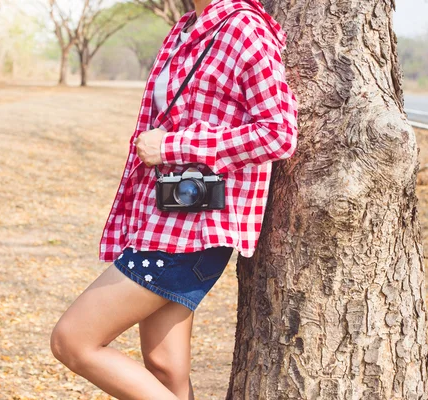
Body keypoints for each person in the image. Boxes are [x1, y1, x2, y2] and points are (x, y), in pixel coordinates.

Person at [50, 0, 298, 398]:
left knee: (72, 341)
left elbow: (278, 132)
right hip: (165, 219)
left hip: (195, 231)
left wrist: (174, 145)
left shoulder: (244, 29)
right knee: (165, 370)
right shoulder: (186, 29)